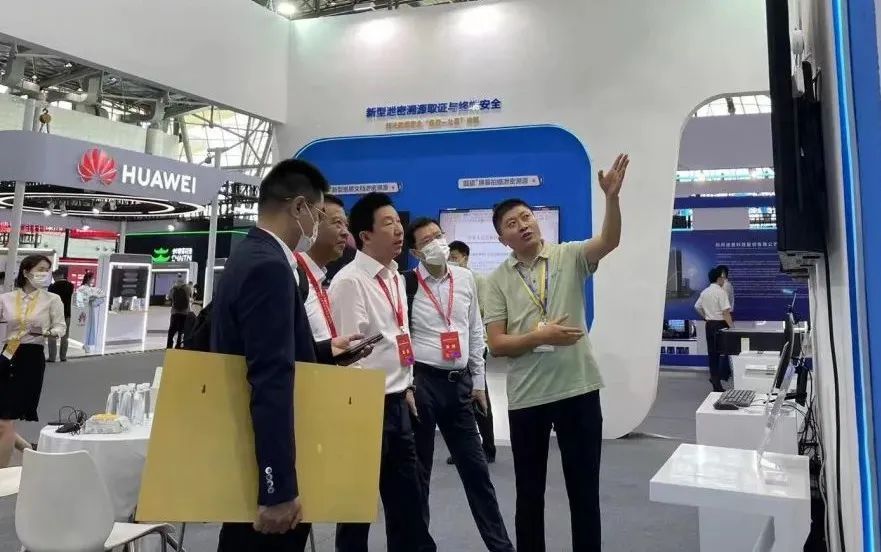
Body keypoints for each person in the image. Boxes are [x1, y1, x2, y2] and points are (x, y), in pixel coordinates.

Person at [483, 154, 630, 552]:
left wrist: (612, 198)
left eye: (526, 217)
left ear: (537, 221)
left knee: (584, 493)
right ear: (502, 239)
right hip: (527, 397)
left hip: (577, 389)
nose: (522, 225)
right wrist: (539, 336)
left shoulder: (570, 255)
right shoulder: (495, 281)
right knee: (529, 495)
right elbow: (497, 344)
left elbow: (609, 241)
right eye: (511, 224)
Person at [211, 159, 340, 552]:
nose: (318, 225)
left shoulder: (248, 255)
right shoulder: (270, 267)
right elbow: (269, 378)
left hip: (247, 448)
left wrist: (322, 352)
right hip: (264, 466)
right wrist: (277, 487)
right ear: (299, 207)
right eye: (320, 214)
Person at [328, 192, 437, 552]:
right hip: (363, 408)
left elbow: (397, 339)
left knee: (408, 505)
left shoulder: (394, 277)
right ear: (365, 236)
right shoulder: (350, 282)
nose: (399, 229)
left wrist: (407, 385)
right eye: (388, 223)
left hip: (397, 404)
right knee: (356, 512)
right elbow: (349, 356)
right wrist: (360, 413)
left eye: (398, 222)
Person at [406, 219, 514, 552]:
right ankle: (419, 546)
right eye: (427, 240)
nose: (436, 243)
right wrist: (407, 384)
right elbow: (401, 336)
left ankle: (501, 546)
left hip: (459, 384)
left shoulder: (465, 278)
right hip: (423, 383)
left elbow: (475, 330)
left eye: (439, 236)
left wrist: (478, 381)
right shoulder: (406, 284)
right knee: (420, 474)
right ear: (415, 252)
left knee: (477, 471)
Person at [0, 255, 66, 468]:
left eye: (48, 269)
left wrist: (45, 332)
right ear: (26, 272)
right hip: (8, 352)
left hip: (30, 357)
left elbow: (61, 328)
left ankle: (2, 474)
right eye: (41, 269)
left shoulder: (52, 300)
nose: (45, 273)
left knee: (5, 419)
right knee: (3, 418)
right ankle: (32, 451)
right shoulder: (7, 298)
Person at [447, 239, 496, 464]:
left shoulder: (478, 280)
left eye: (455, 257)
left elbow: (483, 313)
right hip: (452, 349)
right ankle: (462, 449)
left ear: (465, 258)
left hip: (474, 347)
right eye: (449, 257)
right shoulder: (447, 281)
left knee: (479, 395)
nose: (451, 261)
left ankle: (488, 447)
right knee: (456, 401)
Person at [294, 194, 349, 341]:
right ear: (314, 222)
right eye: (338, 223)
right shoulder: (292, 276)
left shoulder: (317, 279)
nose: (345, 232)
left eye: (346, 225)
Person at [695, 266, 734, 392]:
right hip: (720, 325)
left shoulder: (705, 292)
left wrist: (706, 317)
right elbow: (726, 312)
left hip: (710, 325)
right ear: (718, 278)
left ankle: (715, 382)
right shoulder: (721, 292)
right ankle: (722, 378)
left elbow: (697, 306)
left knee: (712, 355)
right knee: (726, 352)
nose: (724, 279)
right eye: (723, 277)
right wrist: (732, 328)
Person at [47, 268, 74, 363]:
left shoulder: (52, 287)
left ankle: (52, 357)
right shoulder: (70, 286)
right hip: (67, 314)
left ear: (55, 276)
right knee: (65, 337)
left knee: (52, 336)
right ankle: (63, 356)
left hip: (54, 314)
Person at [76, 271, 104, 354]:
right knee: (85, 326)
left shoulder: (92, 289)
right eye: (92, 278)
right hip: (84, 310)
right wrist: (88, 300)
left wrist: (94, 301)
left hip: (90, 309)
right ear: (88, 279)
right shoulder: (81, 288)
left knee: (90, 326)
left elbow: (99, 299)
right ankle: (84, 343)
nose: (93, 280)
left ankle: (87, 343)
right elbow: (78, 300)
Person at [166, 275, 191, 349]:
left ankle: (169, 345)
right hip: (184, 313)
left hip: (175, 312)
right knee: (181, 330)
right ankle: (178, 345)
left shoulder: (173, 288)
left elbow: (169, 297)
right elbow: (190, 296)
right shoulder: (188, 288)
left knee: (171, 330)